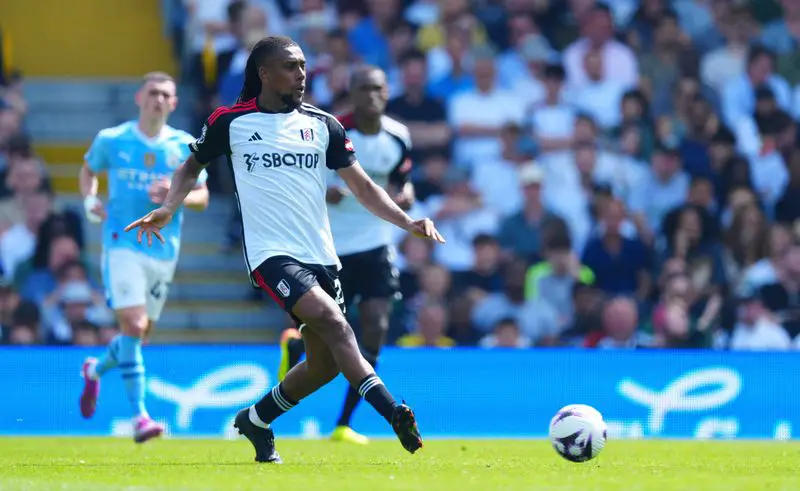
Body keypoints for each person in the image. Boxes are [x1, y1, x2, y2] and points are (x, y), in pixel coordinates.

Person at [124, 36, 444, 463]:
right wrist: (167, 207)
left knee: (325, 365)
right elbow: (190, 167)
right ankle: (391, 411)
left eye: (303, 66)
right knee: (335, 323)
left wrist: (407, 221)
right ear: (265, 74)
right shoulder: (230, 122)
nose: (301, 74)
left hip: (323, 256)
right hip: (271, 255)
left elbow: (364, 187)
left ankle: (255, 419)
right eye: (291, 66)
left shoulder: (323, 125)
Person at [277, 65, 414, 445]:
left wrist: (407, 196)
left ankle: (344, 424)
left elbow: (401, 179)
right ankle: (297, 346)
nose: (371, 95)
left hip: (376, 243)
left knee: (376, 327)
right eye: (363, 88)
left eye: (377, 88)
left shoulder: (398, 136)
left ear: (387, 93)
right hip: (330, 247)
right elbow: (299, 180)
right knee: (332, 334)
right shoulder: (329, 132)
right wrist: (325, 192)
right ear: (351, 93)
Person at [77, 72, 210, 444]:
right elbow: (89, 170)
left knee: (139, 336)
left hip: (163, 251)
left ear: (174, 103)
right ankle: (141, 418)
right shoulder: (113, 139)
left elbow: (202, 197)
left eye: (166, 94)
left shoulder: (185, 146)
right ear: (139, 97)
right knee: (133, 326)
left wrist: (175, 193)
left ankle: (94, 369)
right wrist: (90, 200)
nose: (158, 99)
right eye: (153, 92)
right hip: (122, 243)